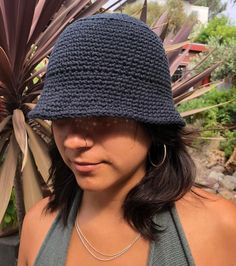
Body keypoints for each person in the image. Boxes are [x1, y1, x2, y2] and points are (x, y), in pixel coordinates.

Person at [18, 13, 236, 266]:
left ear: (153, 124)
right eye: (62, 118)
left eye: (102, 118)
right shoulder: (37, 226)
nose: (73, 142)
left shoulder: (220, 229)